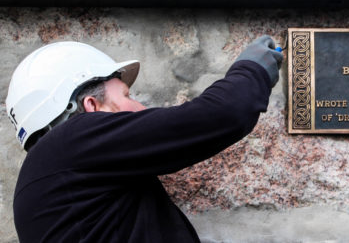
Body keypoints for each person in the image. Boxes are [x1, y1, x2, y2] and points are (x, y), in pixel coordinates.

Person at [6, 36, 283, 243]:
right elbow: (222, 114)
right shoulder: (73, 141)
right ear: (91, 106)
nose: (140, 108)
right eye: (126, 96)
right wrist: (251, 70)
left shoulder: (48, 177)